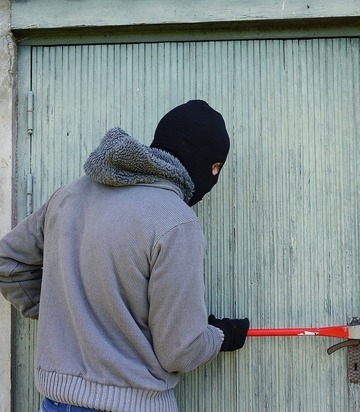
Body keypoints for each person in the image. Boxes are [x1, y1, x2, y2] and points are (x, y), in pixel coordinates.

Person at [0, 100, 249, 412]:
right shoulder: (176, 220)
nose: (213, 177)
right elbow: (180, 351)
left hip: (55, 403)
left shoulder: (68, 196)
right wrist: (221, 336)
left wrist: (68, 312)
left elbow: (7, 263)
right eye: (215, 168)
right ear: (200, 159)